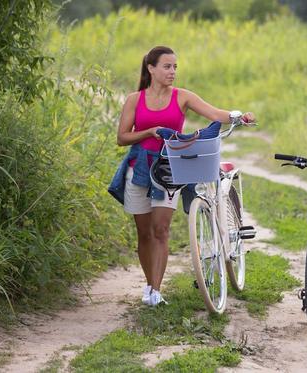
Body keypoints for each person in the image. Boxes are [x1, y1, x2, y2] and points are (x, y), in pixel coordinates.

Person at [108, 46, 255, 307]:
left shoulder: (182, 97)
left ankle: (155, 291)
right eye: (167, 66)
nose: (172, 71)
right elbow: (122, 137)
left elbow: (215, 114)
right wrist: (149, 132)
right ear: (151, 68)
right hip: (139, 167)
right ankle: (149, 284)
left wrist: (237, 116)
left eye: (175, 67)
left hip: (170, 168)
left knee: (161, 230)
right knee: (144, 234)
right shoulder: (134, 99)